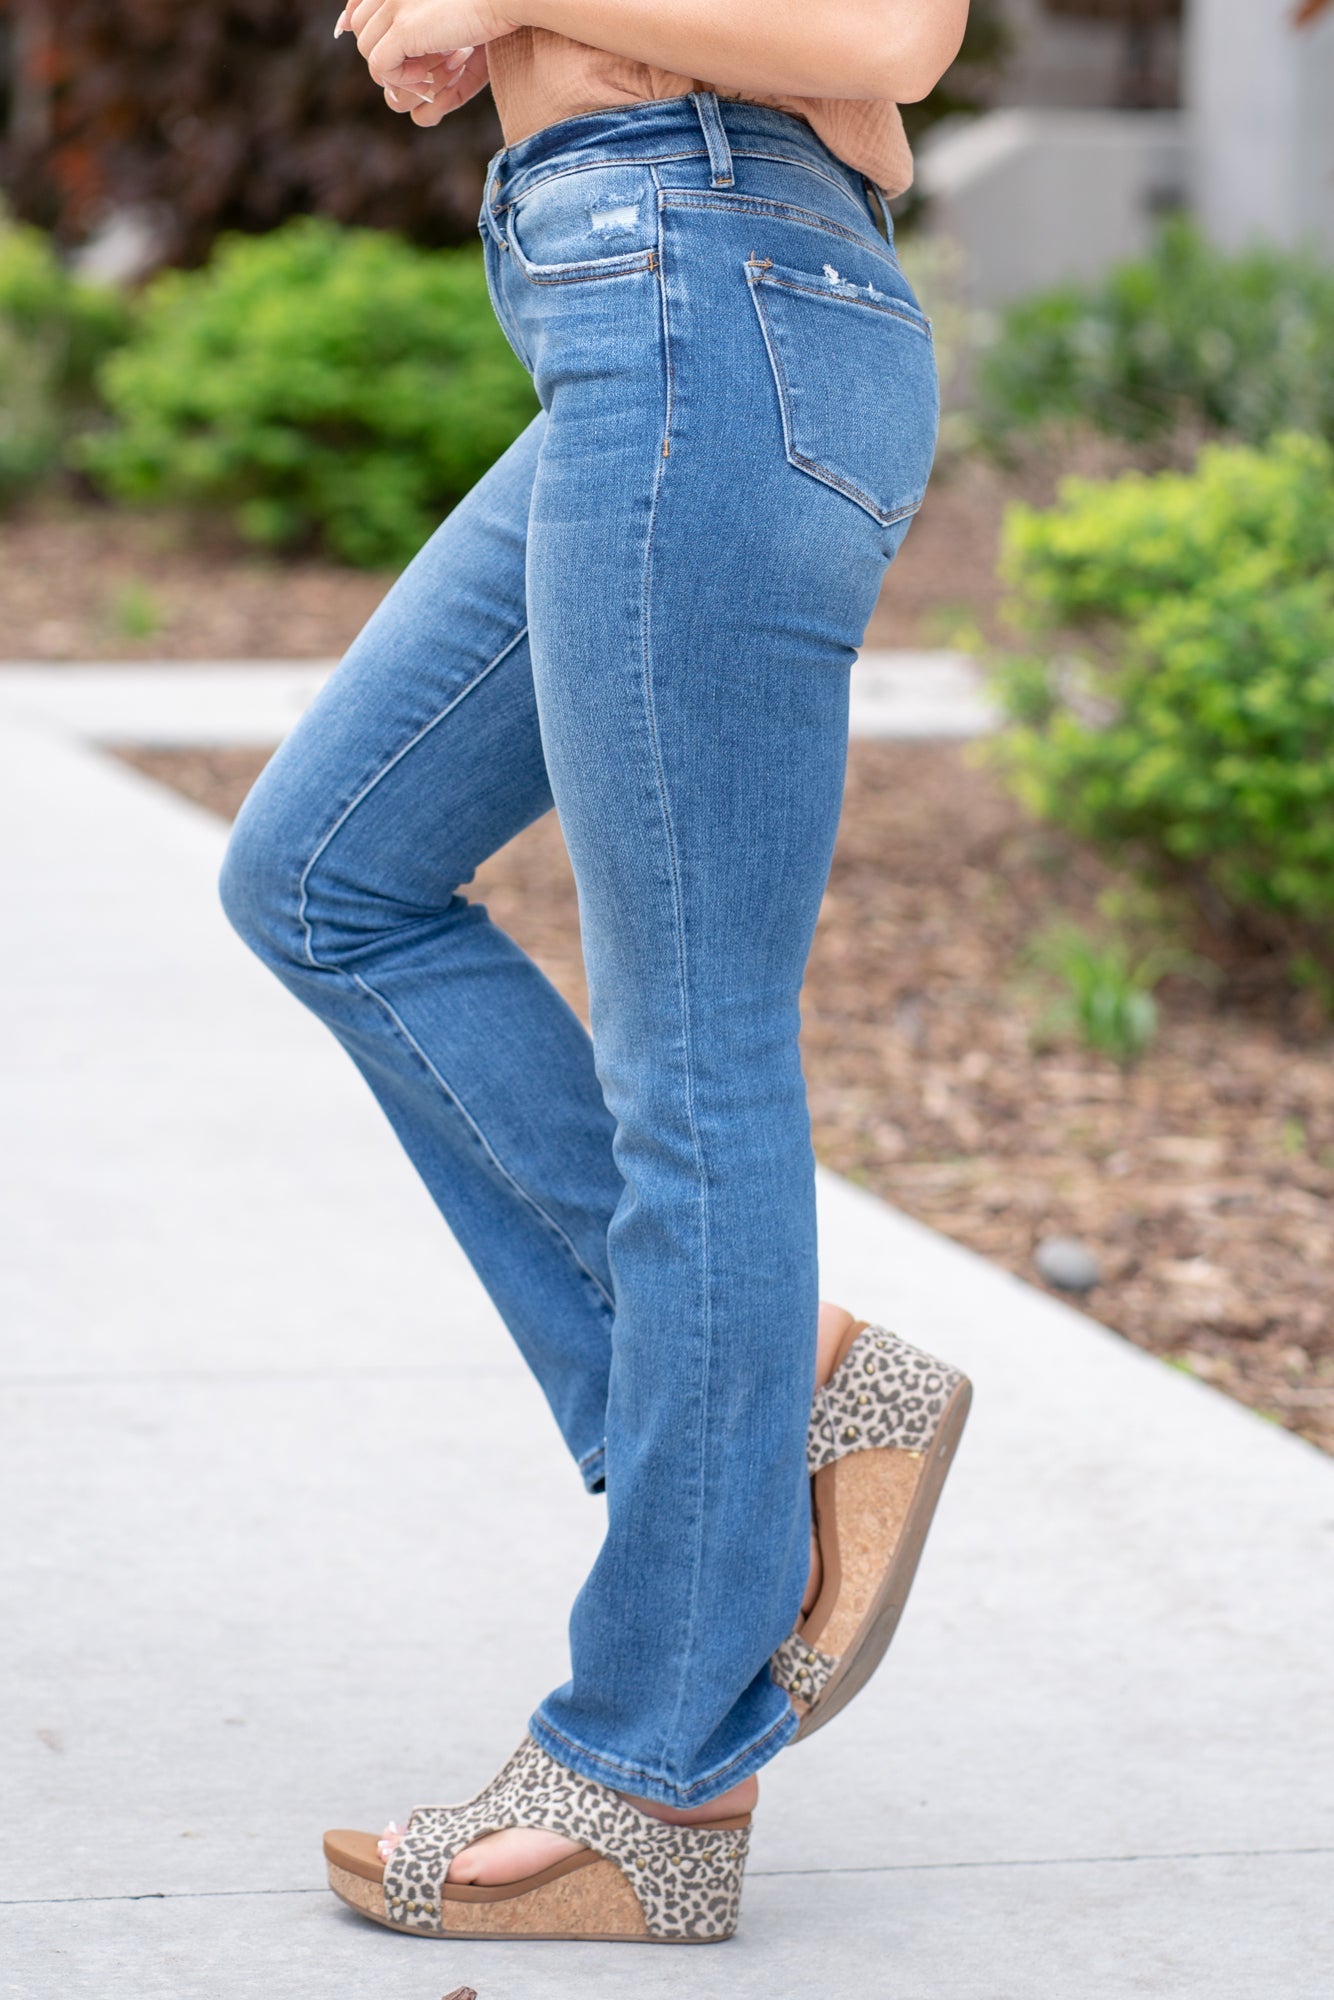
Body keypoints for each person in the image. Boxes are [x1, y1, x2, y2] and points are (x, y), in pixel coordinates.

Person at [220, 0, 973, 1946]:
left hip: (714, 289)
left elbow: (895, 37)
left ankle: (656, 1764)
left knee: (691, 1052)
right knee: (323, 872)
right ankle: (789, 1385)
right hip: (629, 293)